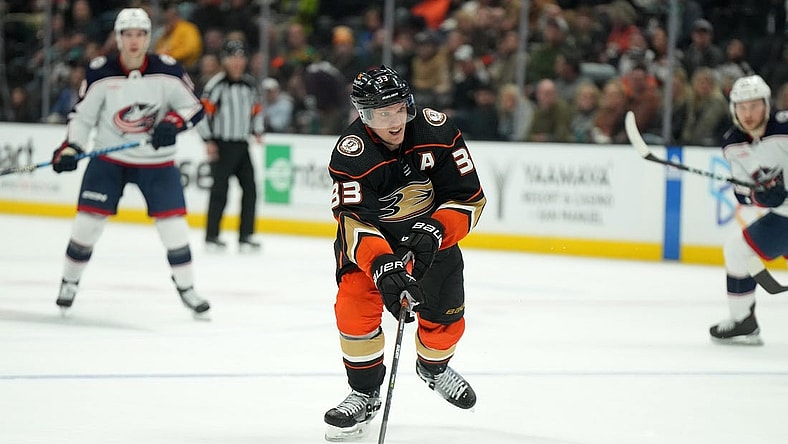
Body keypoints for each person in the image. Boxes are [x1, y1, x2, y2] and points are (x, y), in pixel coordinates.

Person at [323, 65, 487, 440]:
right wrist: (383, 266)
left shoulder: (439, 132)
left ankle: (433, 367)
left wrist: (434, 232)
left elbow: (470, 198)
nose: (394, 121)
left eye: (399, 109)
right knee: (353, 310)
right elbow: (352, 221)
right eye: (382, 114)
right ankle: (364, 393)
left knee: (445, 322)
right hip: (371, 251)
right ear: (364, 116)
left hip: (435, 247)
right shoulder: (352, 154)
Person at [51, 8, 209, 318]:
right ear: (118, 38)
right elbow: (82, 117)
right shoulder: (100, 71)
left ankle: (188, 289)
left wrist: (173, 123)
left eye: (140, 34)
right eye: (127, 34)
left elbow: (194, 107)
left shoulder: (168, 69)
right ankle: (69, 282)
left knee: (174, 229)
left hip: (157, 163)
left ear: (148, 38)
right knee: (86, 225)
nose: (134, 41)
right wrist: (71, 148)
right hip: (109, 158)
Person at [710, 74, 788, 345]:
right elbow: (742, 192)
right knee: (737, 249)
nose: (748, 113)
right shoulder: (733, 143)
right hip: (782, 218)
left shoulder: (785, 128)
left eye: (754, 105)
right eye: (742, 107)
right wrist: (759, 197)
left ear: (767, 105)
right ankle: (743, 319)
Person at [198, 39, 264, 252]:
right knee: (219, 191)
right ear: (225, 60)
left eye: (241, 57)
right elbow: (202, 115)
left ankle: (245, 236)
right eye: (233, 57)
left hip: (242, 145)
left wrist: (258, 131)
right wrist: (208, 140)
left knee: (251, 190)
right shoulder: (216, 85)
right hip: (222, 145)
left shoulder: (249, 84)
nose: (237, 62)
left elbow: (255, 110)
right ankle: (211, 236)